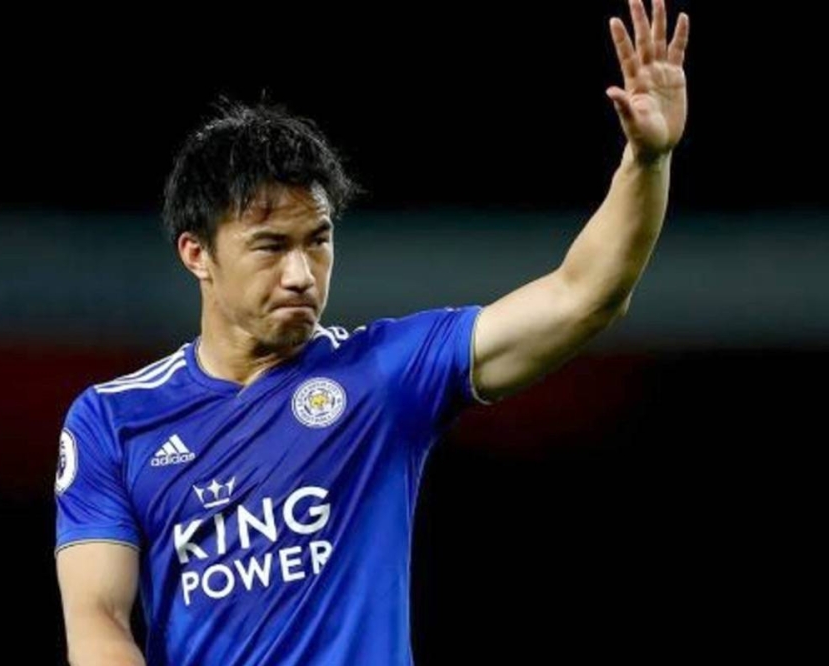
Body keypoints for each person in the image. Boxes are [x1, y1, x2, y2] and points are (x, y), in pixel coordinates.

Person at [53, 1, 690, 664]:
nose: (301, 274)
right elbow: (98, 618)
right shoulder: (115, 420)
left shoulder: (383, 374)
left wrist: (646, 161)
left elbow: (583, 296)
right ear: (197, 254)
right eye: (270, 246)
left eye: (318, 240)